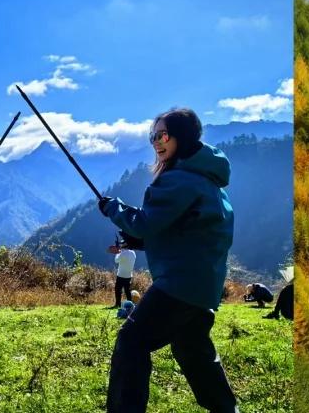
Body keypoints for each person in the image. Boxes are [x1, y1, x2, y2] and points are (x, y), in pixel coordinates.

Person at [99, 109, 237, 413]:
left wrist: (114, 208)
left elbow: (146, 222)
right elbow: (186, 233)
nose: (156, 142)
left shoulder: (180, 179)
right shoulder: (207, 179)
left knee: (132, 341)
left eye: (162, 135)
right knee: (193, 349)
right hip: (203, 285)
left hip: (180, 283)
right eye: (153, 137)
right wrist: (143, 241)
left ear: (182, 136)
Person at [109, 242, 138, 308]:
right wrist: (120, 251)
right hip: (129, 275)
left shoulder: (122, 253)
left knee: (118, 289)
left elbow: (116, 260)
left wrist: (118, 252)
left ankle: (117, 304)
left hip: (121, 275)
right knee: (127, 290)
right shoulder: (133, 253)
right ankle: (130, 305)